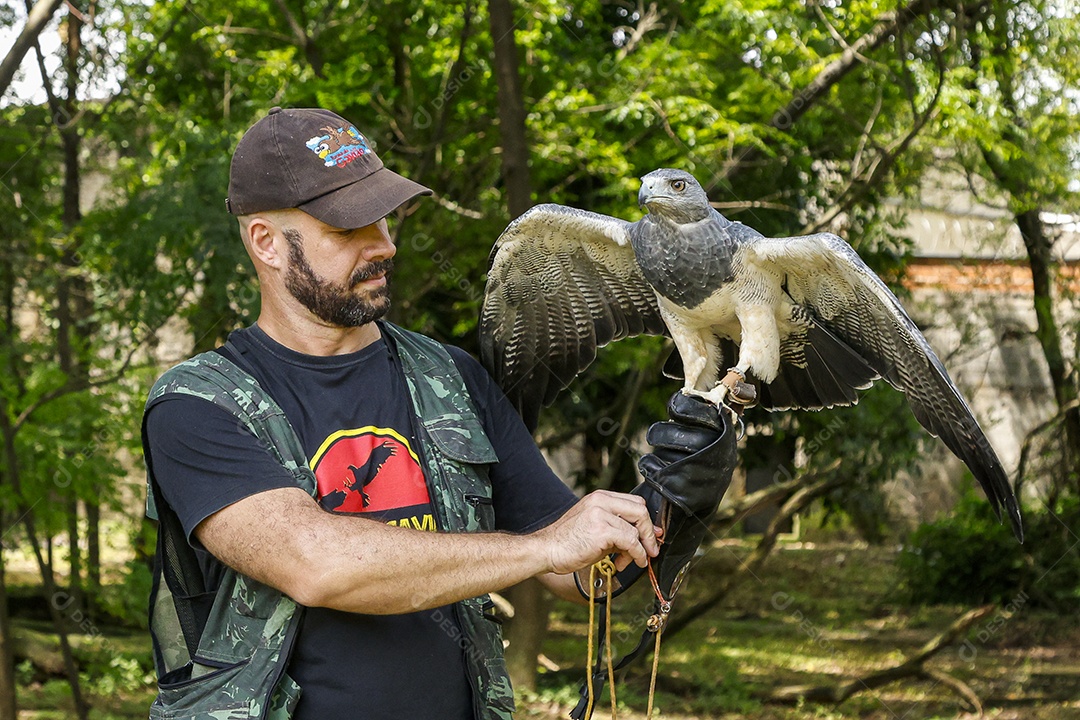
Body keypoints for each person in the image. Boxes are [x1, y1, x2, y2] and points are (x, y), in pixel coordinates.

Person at [142, 107, 736, 720]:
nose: (384, 245)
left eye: (383, 218)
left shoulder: (448, 377)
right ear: (266, 242)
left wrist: (668, 501)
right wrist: (542, 549)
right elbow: (316, 563)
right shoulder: (197, 406)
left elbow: (578, 570)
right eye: (348, 229)